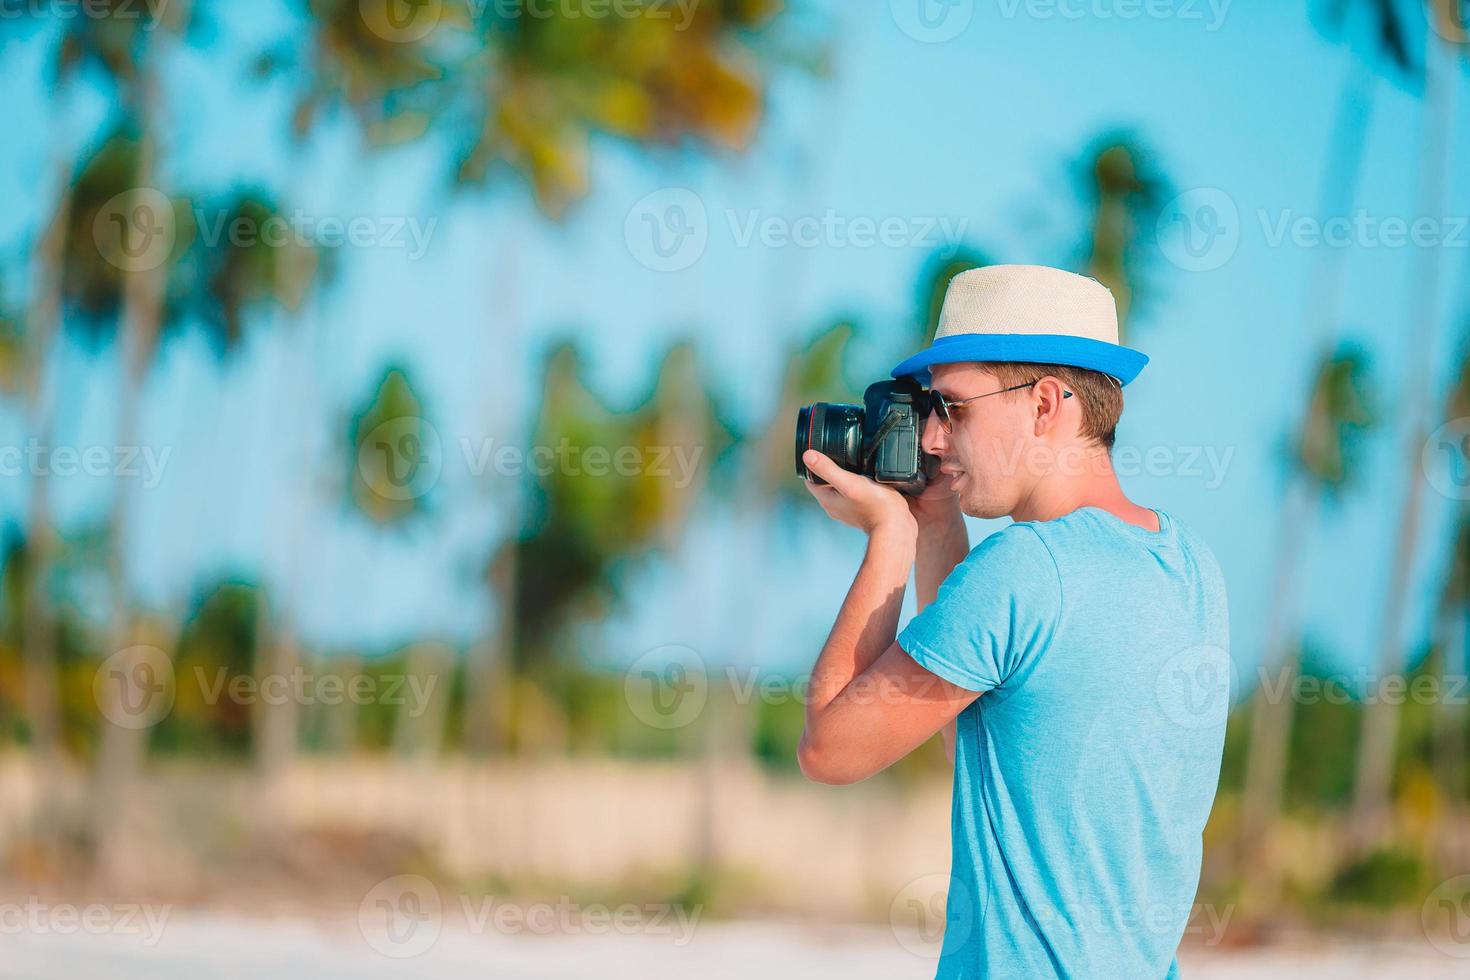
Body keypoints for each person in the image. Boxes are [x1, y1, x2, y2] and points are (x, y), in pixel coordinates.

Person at [797, 264, 1229, 979]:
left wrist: (890, 540)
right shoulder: (1189, 565)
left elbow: (831, 750)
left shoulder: (1025, 570)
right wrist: (934, 523)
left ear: (1046, 405)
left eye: (954, 408)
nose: (933, 439)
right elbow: (976, 740)